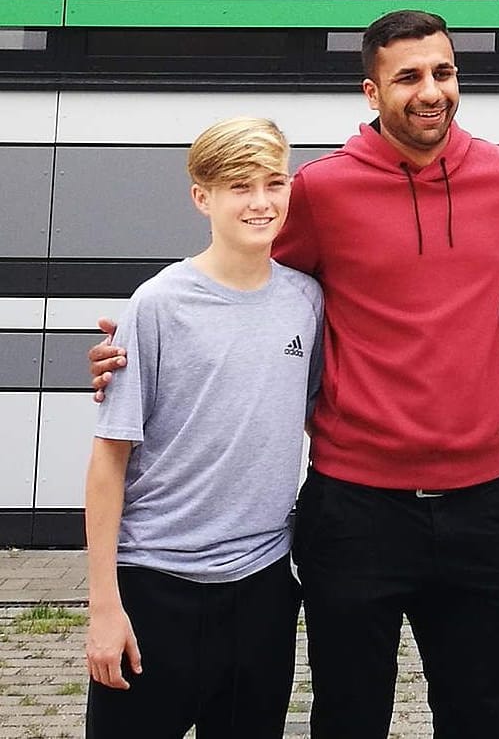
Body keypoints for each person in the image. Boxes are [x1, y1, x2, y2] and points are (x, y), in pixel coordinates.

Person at [88, 10, 499, 739]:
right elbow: (246, 281)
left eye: (444, 72)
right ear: (371, 91)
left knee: (481, 717)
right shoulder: (321, 191)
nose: (431, 91)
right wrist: (138, 342)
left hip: (480, 503)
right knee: (351, 718)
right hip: (355, 509)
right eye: (408, 77)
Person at [83, 117, 323, 738]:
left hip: (262, 586)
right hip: (156, 585)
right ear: (202, 197)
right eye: (240, 186)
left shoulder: (306, 300)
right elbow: (109, 460)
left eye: (274, 183)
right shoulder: (158, 304)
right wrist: (104, 607)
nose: (261, 202)